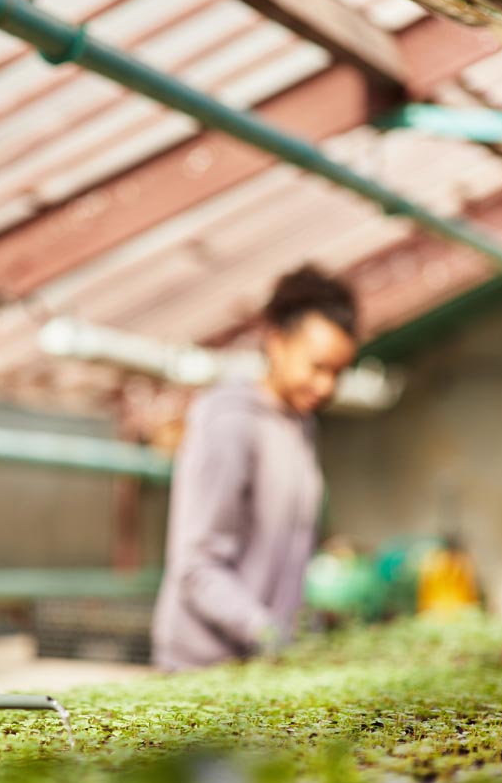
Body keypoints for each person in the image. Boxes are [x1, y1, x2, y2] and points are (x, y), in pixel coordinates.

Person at [151, 265, 358, 671]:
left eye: (338, 372)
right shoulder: (230, 422)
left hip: (261, 666)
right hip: (203, 673)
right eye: (317, 368)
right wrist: (266, 632)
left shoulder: (300, 425)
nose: (327, 387)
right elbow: (196, 565)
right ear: (276, 343)